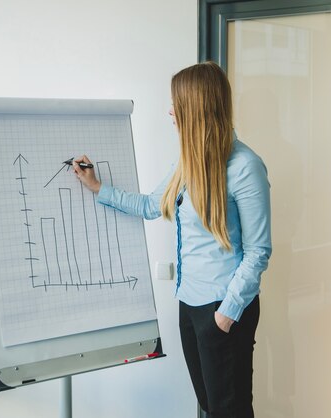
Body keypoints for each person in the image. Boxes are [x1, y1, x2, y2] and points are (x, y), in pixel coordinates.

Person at [73, 61, 271, 418]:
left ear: (196, 107)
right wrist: (99, 188)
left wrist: (225, 315)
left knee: (231, 411)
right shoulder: (188, 161)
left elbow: (258, 252)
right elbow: (152, 205)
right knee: (212, 407)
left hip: (223, 308)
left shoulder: (245, 167)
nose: (169, 110)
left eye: (175, 103)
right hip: (189, 305)